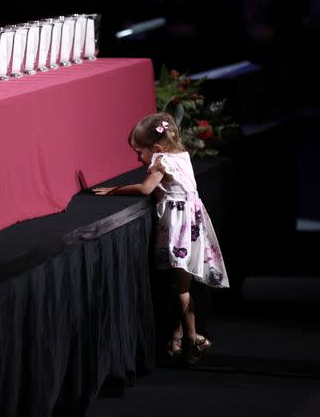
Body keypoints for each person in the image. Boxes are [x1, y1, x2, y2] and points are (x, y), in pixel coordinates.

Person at [92, 112, 229, 365]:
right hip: (193, 225)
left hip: (180, 229)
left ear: (155, 148)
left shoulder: (162, 161)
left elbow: (145, 188)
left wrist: (114, 190)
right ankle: (179, 338)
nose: (138, 158)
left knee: (180, 287)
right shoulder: (182, 156)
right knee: (181, 283)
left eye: (139, 152)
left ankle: (192, 336)